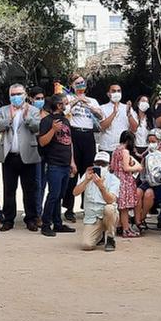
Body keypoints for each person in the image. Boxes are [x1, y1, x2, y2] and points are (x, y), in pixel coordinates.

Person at [0, 83, 41, 232]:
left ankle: (31, 218)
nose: (16, 97)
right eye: (13, 94)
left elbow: (37, 128)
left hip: (27, 154)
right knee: (9, 189)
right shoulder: (3, 110)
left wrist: (27, 118)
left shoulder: (33, 110)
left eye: (19, 94)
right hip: (9, 155)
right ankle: (8, 219)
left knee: (30, 189)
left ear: (25, 94)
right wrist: (10, 118)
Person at [62, 75, 102, 222]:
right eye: (77, 83)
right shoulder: (68, 98)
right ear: (72, 85)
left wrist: (89, 106)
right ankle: (69, 208)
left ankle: (87, 207)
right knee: (73, 172)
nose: (80, 85)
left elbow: (100, 115)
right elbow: (64, 112)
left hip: (88, 136)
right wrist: (76, 100)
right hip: (74, 133)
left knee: (89, 172)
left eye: (82, 82)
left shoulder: (92, 100)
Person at [38, 92, 76, 237]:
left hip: (66, 163)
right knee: (53, 194)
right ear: (59, 105)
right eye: (65, 103)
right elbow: (42, 142)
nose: (67, 105)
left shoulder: (65, 121)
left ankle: (58, 222)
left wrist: (72, 161)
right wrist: (53, 130)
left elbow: (69, 141)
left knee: (60, 194)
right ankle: (46, 224)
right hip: (54, 163)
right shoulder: (47, 121)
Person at [73, 150, 120, 252]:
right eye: (98, 164)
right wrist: (86, 181)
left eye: (103, 164)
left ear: (108, 166)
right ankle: (99, 235)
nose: (100, 166)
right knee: (86, 245)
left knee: (110, 208)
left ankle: (111, 237)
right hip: (93, 217)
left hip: (106, 212)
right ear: (94, 164)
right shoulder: (87, 176)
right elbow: (75, 193)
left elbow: (111, 199)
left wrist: (101, 187)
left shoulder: (114, 179)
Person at [135, 128, 161, 235]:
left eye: (154, 141)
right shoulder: (146, 154)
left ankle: (141, 218)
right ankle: (138, 221)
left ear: (160, 142)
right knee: (138, 192)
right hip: (148, 181)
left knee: (148, 194)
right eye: (149, 141)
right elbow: (142, 170)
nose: (151, 144)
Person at [110, 130, 144, 237]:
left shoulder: (115, 150)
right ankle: (126, 229)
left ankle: (120, 226)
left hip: (115, 178)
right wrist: (137, 167)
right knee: (124, 207)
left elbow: (111, 167)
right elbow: (126, 167)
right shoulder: (125, 151)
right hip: (124, 180)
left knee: (120, 205)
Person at [97, 82, 137, 154]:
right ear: (108, 94)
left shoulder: (127, 108)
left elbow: (134, 128)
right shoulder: (102, 108)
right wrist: (114, 113)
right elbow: (102, 127)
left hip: (123, 148)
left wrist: (129, 114)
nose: (117, 93)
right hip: (106, 147)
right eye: (113, 91)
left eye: (119, 91)